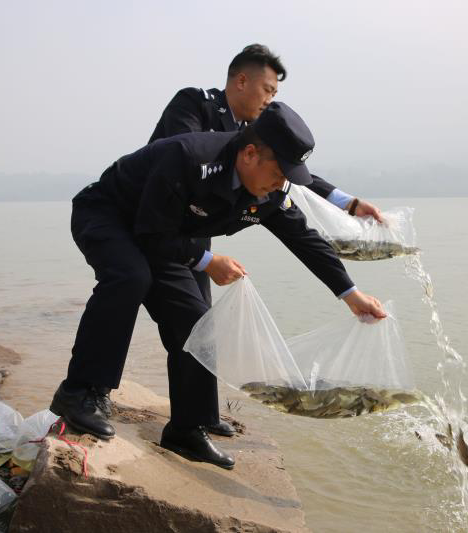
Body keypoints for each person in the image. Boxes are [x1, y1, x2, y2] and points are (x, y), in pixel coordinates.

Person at [50, 102, 386, 469]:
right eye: (278, 173)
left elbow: (303, 238)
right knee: (130, 277)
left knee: (198, 321)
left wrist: (351, 295)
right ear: (250, 153)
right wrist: (209, 262)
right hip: (109, 216)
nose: (280, 183)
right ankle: (80, 391)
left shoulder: (271, 190)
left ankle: (187, 429)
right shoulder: (188, 159)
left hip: (165, 234)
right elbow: (151, 234)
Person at [150, 44, 384, 438]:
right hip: (162, 224)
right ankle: (180, 426)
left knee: (202, 326)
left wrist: (346, 203)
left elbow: (289, 177)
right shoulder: (195, 106)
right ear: (242, 80)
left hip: (199, 232)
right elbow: (186, 165)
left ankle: (203, 415)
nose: (270, 99)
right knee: (188, 324)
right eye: (268, 90)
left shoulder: (256, 142)